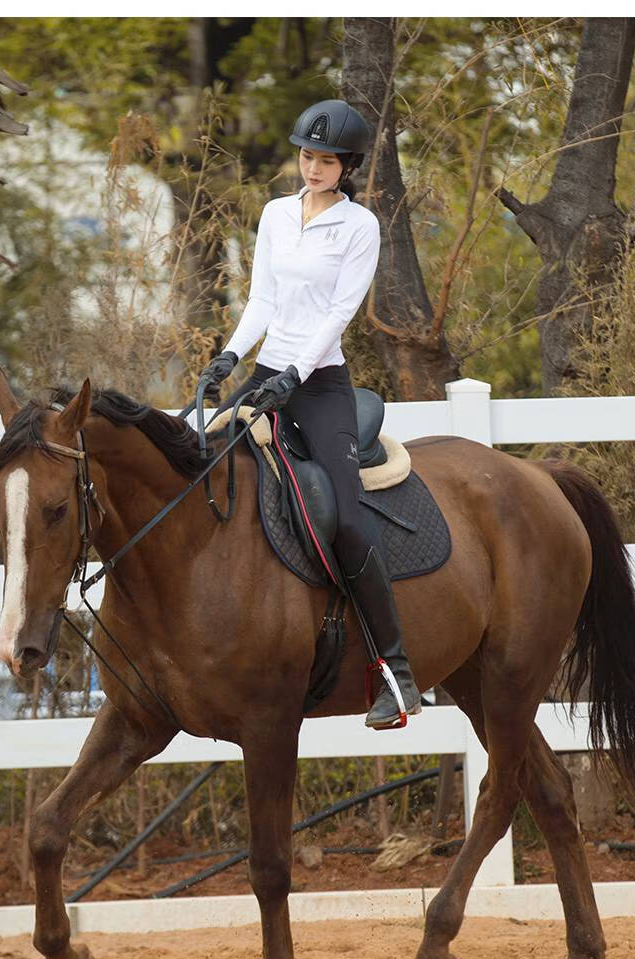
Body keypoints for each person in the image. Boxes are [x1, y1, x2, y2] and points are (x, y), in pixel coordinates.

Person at [199, 98, 420, 730]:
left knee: (346, 519)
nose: (313, 167)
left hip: (319, 386)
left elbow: (337, 315)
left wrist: (295, 373)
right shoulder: (275, 214)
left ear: (346, 165)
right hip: (268, 375)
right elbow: (263, 298)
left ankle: (396, 673)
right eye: (306, 155)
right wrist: (230, 357)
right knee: (197, 461)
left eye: (325, 160)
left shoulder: (359, 228)